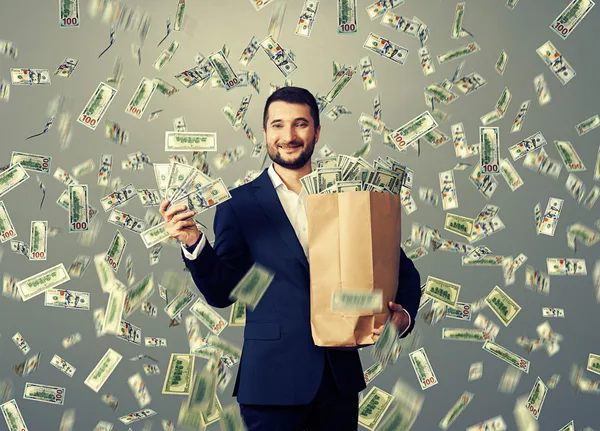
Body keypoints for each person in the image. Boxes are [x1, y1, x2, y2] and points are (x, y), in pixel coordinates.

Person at [159, 86, 422, 431]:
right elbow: (223, 293)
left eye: (300, 124)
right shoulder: (238, 205)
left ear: (317, 132)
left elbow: (398, 266)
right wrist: (194, 242)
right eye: (278, 125)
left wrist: (402, 315)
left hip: (337, 382)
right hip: (271, 385)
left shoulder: (349, 199)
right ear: (265, 133)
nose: (289, 136)